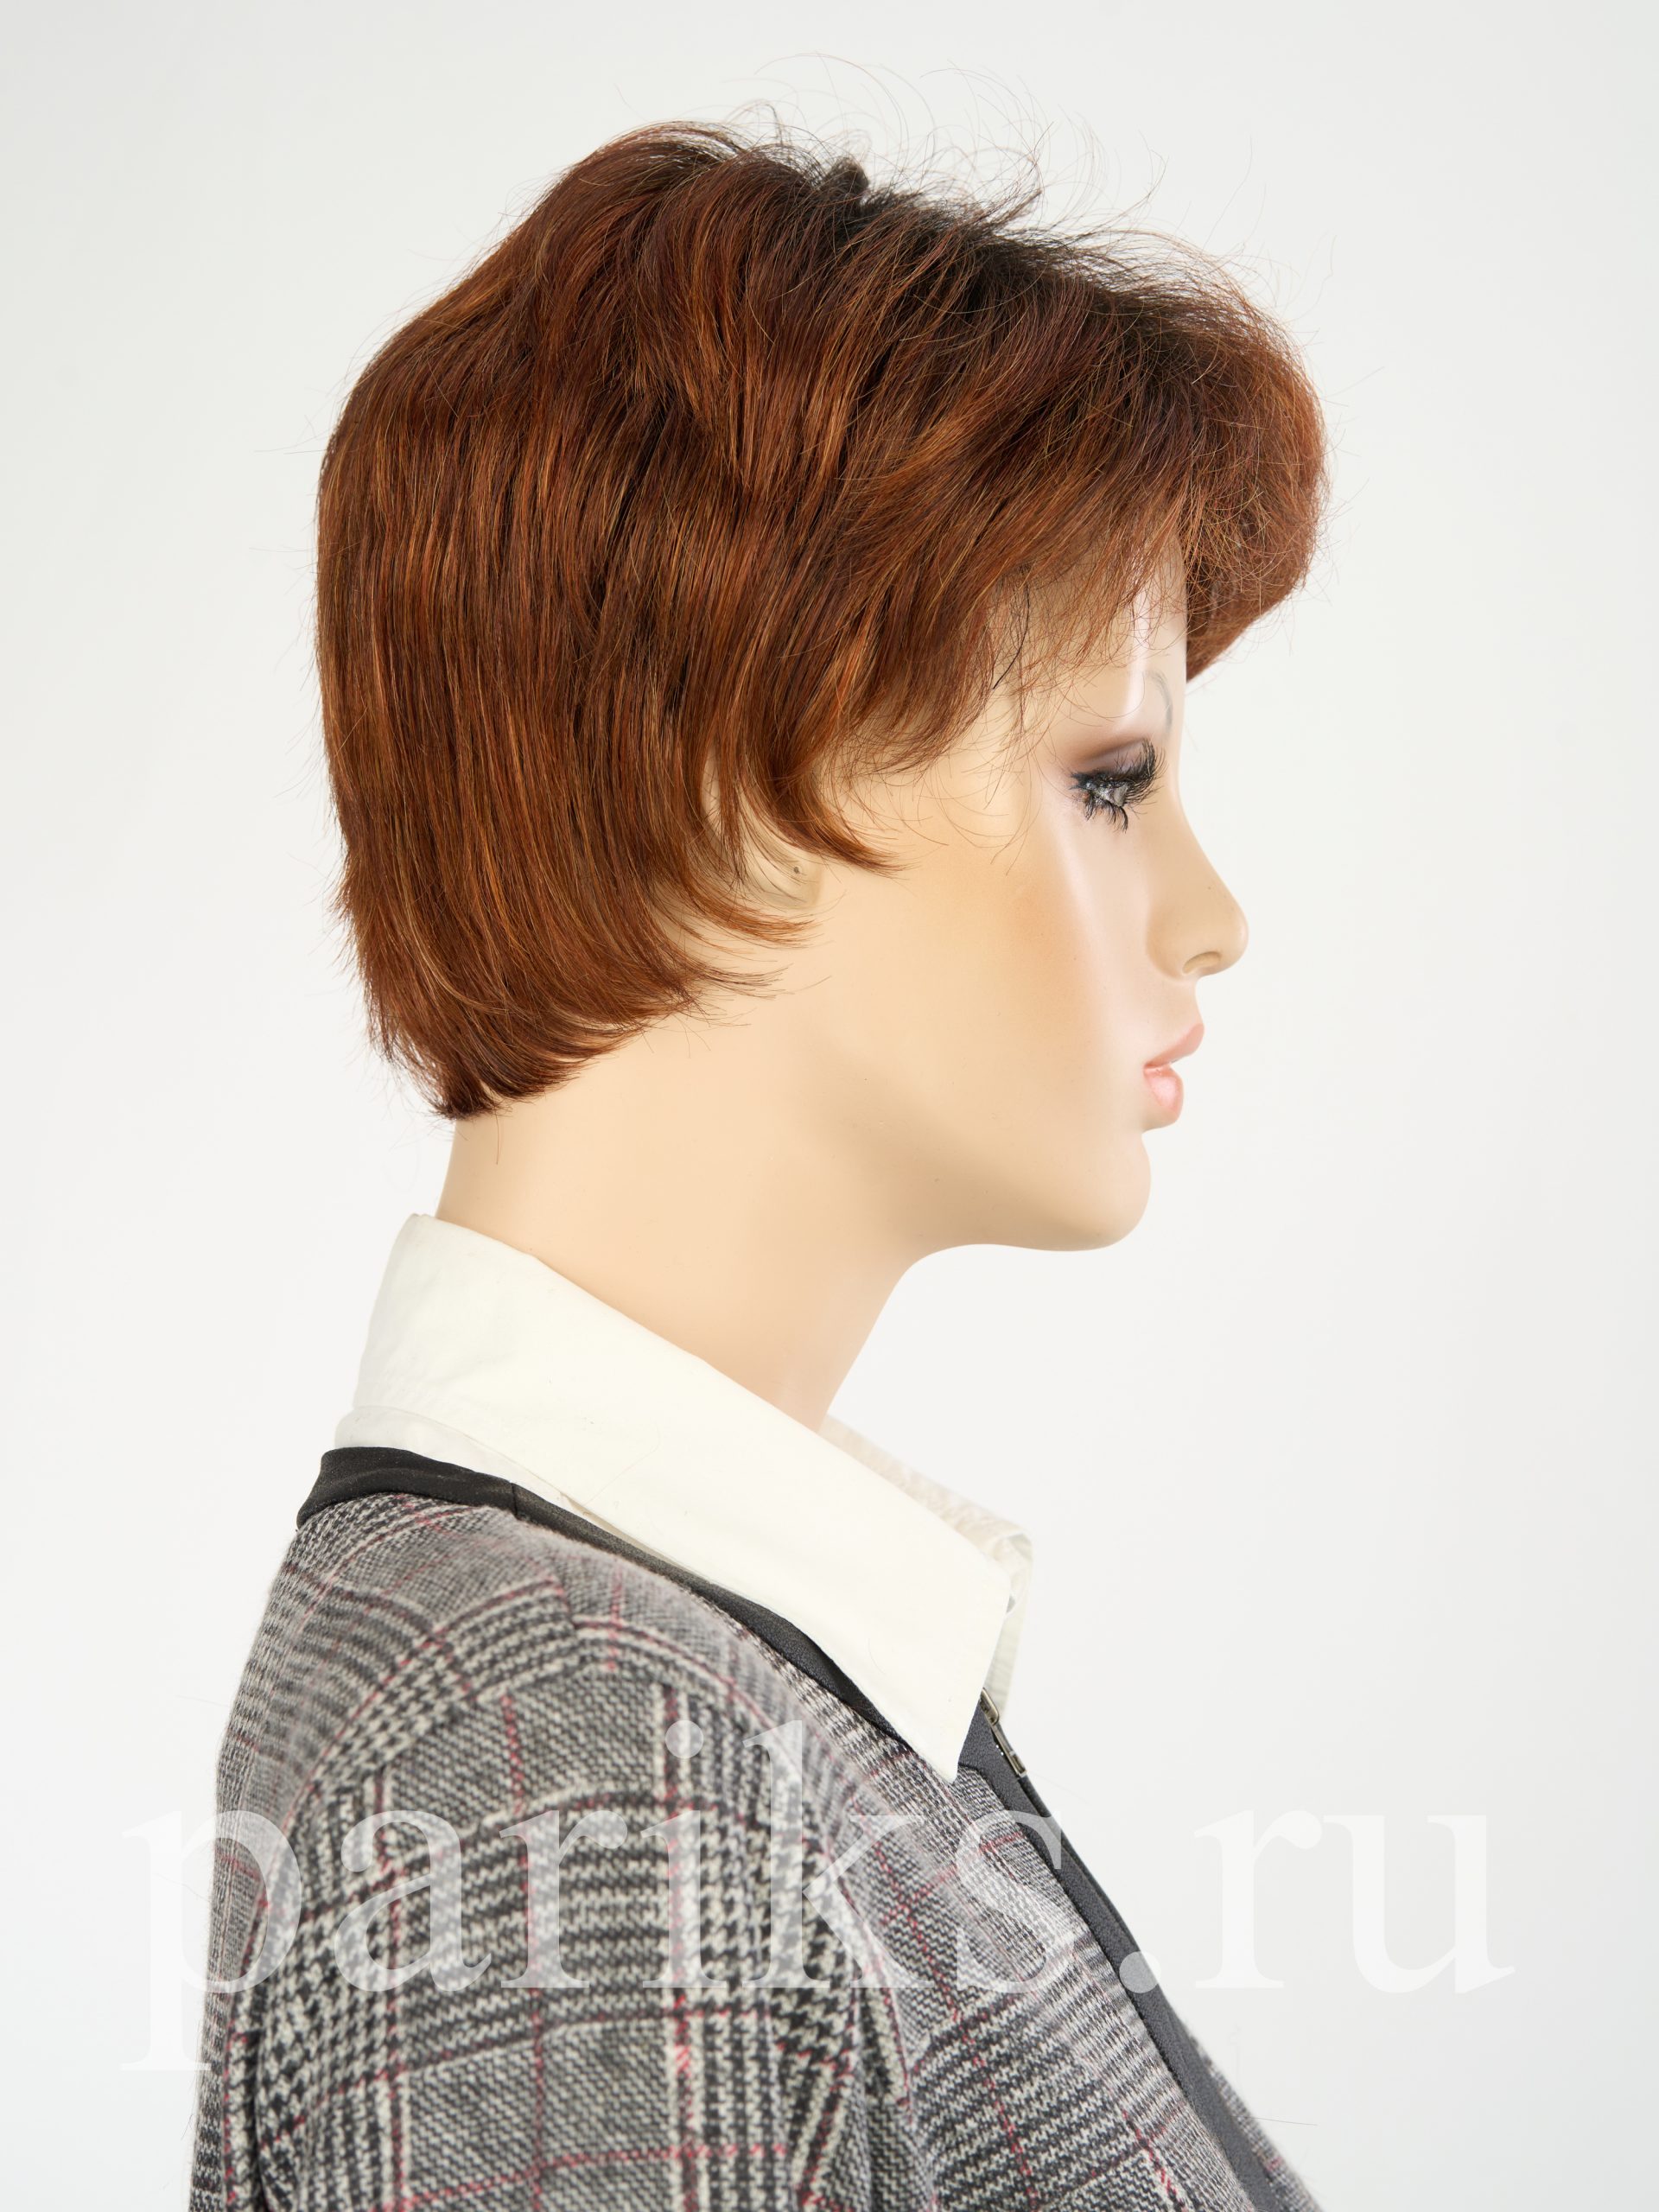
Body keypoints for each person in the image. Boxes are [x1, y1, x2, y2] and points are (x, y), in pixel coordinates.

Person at [190, 118, 1330, 2210]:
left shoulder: (637, 1669)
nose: (1211, 913)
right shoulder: (582, 1754)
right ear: (733, 793)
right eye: (1108, 780)